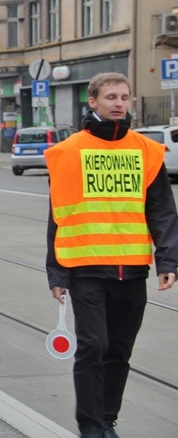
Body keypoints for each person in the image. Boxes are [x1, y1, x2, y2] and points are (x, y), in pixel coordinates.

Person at [45, 72, 178, 438]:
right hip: (87, 269)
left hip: (132, 270)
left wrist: (168, 260)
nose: (119, 103)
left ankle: (107, 420)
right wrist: (56, 274)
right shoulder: (69, 152)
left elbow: (162, 210)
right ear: (93, 102)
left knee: (118, 350)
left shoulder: (145, 150)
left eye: (124, 96)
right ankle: (89, 426)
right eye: (111, 97)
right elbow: (58, 216)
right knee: (94, 347)